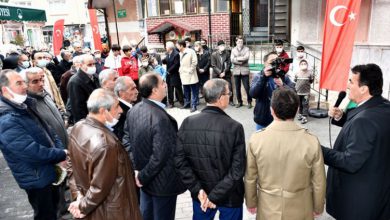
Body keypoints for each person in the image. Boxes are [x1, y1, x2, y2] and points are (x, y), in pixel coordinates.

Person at [245, 88, 326, 219]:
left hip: (268, 207)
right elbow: (319, 181)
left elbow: (250, 177)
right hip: (301, 207)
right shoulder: (311, 140)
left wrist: (251, 202)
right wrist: (318, 207)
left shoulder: (256, 139)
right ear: (297, 109)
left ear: (272, 110)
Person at [323, 64, 390, 220]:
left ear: (363, 89)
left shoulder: (364, 120)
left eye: (351, 81)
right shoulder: (382, 107)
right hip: (379, 193)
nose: (347, 85)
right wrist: (341, 117)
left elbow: (350, 162)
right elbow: (370, 131)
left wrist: (319, 150)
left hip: (358, 201)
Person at [0, 69, 67, 220]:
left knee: (53, 211)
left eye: (23, 82)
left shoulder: (24, 105)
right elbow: (31, 152)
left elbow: (49, 131)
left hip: (47, 171)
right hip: (37, 179)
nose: (24, 86)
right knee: (45, 215)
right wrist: (61, 153)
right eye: (19, 83)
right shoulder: (6, 119)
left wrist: (58, 149)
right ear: (6, 90)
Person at [175, 78, 246, 220]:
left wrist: (198, 190)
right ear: (220, 98)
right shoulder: (234, 127)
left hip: (201, 197)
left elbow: (179, 162)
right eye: (229, 93)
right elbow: (237, 170)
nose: (230, 95)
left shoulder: (188, 122)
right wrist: (214, 196)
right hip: (229, 197)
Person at [67, 89, 142, 220]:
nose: (120, 110)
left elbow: (70, 164)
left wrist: (78, 194)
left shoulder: (78, 127)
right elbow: (99, 187)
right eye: (116, 106)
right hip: (113, 211)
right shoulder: (105, 143)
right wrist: (81, 206)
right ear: (103, 111)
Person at [124, 73, 186, 220]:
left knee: (147, 214)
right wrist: (142, 176)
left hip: (144, 179)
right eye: (162, 83)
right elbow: (161, 155)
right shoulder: (161, 118)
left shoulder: (134, 109)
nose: (165, 85)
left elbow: (126, 141)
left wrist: (138, 171)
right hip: (161, 184)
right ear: (154, 90)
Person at [22, 67, 68, 147]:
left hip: (65, 144)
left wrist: (63, 117)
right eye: (35, 81)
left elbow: (55, 110)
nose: (41, 84)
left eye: (41, 80)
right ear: (25, 84)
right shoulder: (27, 105)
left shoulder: (45, 94)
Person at [249, 52, 294, 130]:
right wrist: (263, 77)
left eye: (277, 61)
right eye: (272, 61)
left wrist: (283, 85)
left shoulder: (283, 76)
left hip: (281, 119)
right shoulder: (258, 76)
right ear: (265, 63)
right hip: (263, 119)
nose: (275, 64)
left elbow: (293, 94)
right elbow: (253, 94)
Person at [67, 54, 100, 123]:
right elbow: (78, 109)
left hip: (97, 116)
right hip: (88, 120)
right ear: (81, 65)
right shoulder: (75, 82)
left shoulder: (95, 76)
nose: (93, 66)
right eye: (89, 65)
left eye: (94, 64)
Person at [177, 39, 199, 112]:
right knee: (186, 90)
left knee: (194, 90)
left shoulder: (191, 51)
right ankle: (187, 103)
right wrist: (180, 70)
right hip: (183, 74)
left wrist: (190, 70)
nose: (176, 47)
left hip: (191, 74)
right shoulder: (180, 53)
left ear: (181, 45)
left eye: (177, 45)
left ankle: (194, 105)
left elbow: (194, 62)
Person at [231, 36, 252, 108]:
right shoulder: (233, 50)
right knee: (237, 87)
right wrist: (240, 60)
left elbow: (246, 58)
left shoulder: (247, 49)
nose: (240, 43)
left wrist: (237, 59)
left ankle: (249, 102)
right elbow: (232, 59)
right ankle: (239, 102)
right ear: (236, 42)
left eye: (241, 42)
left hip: (244, 70)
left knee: (247, 87)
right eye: (239, 42)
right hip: (236, 71)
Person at [211, 40, 234, 106]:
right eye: (221, 45)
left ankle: (230, 100)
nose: (222, 47)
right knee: (216, 88)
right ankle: (216, 100)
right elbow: (213, 65)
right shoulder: (214, 54)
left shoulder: (227, 53)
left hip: (226, 73)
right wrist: (220, 73)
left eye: (223, 45)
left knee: (229, 87)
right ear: (218, 47)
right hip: (217, 74)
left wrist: (224, 72)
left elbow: (229, 64)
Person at [162, 41, 184, 108]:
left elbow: (176, 64)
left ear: (169, 48)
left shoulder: (176, 54)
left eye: (166, 46)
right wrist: (163, 60)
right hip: (169, 75)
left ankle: (181, 101)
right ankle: (171, 102)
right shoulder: (168, 53)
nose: (165, 48)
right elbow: (166, 61)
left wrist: (169, 71)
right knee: (170, 89)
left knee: (178, 88)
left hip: (174, 74)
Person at [294, 59, 313, 124]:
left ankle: (304, 117)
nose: (303, 65)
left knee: (305, 104)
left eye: (305, 64)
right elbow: (295, 80)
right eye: (302, 64)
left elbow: (311, 81)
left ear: (307, 65)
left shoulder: (310, 73)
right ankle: (300, 114)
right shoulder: (297, 73)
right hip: (298, 92)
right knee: (299, 104)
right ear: (299, 65)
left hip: (306, 93)